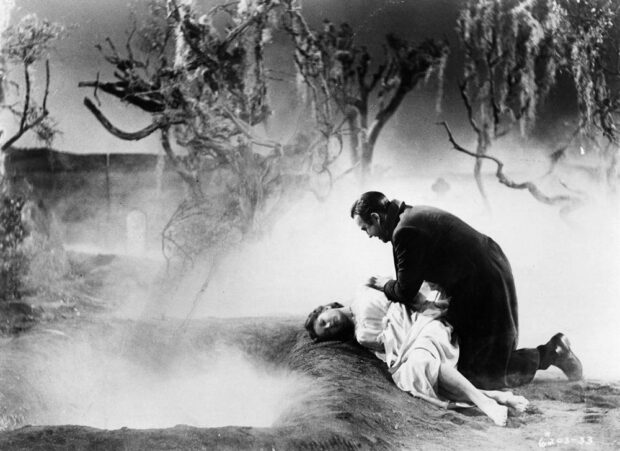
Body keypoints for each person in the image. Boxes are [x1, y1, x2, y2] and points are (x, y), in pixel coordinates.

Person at [349, 191, 583, 389]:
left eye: (365, 228)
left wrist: (383, 284)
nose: (368, 235)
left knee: (482, 374)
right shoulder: (408, 215)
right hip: (488, 268)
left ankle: (553, 352)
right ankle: (549, 352)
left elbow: (405, 291)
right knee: (480, 357)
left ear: (376, 217)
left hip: (482, 281)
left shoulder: (404, 231)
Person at [305, 286, 528, 426]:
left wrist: (430, 304)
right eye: (327, 332)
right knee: (414, 372)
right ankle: (496, 397)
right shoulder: (359, 336)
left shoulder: (363, 290)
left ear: (326, 307)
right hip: (408, 345)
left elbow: (403, 288)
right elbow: (388, 348)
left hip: (423, 321)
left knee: (422, 360)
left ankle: (487, 403)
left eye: (324, 321)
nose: (330, 325)